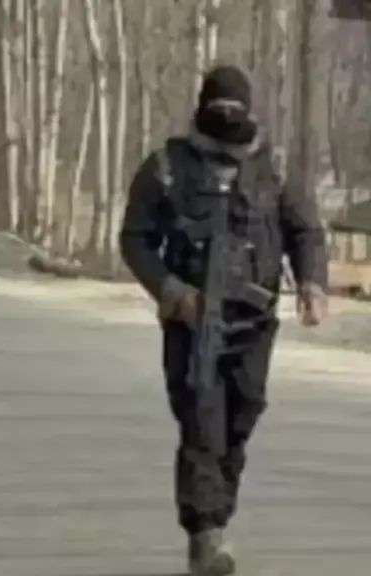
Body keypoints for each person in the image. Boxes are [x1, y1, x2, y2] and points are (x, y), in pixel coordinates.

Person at [119, 65, 328, 576]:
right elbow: (135, 239)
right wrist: (171, 291)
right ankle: (205, 534)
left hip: (254, 322)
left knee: (240, 418)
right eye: (219, 109)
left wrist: (312, 284)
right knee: (202, 424)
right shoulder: (167, 167)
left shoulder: (274, 168)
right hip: (191, 323)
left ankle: (216, 516)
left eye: (235, 110)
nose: (227, 118)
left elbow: (306, 231)